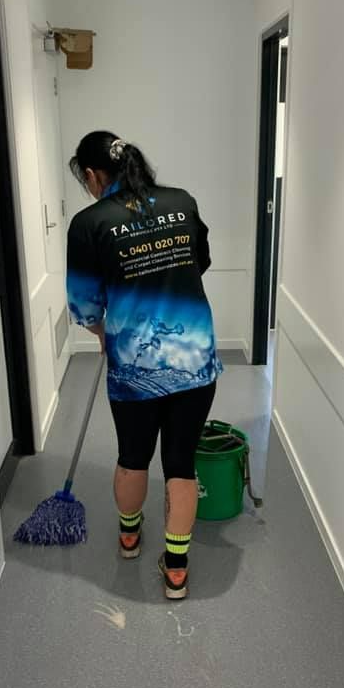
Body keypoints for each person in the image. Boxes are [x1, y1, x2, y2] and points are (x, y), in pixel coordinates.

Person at [66, 131, 222, 600]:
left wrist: (102, 333)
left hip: (134, 363)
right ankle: (177, 568)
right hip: (196, 356)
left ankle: (130, 538)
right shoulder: (182, 201)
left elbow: (84, 307)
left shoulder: (89, 222)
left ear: (93, 175)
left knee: (133, 456)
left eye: (85, 180)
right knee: (180, 462)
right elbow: (200, 261)